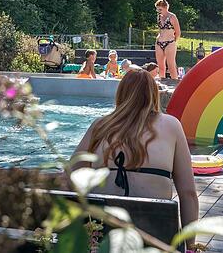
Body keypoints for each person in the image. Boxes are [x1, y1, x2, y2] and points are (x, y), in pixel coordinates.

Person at [71, 68, 198, 247]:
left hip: (104, 241)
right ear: (154, 94)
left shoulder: (100, 126)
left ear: (121, 94)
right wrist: (190, 247)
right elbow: (188, 194)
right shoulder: (171, 126)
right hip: (156, 240)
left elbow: (69, 179)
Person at [154, 0, 181, 79]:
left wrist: (173, 41)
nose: (158, 11)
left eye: (160, 9)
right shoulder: (159, 17)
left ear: (166, 8)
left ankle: (175, 84)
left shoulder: (172, 17)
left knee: (171, 66)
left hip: (170, 42)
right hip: (159, 42)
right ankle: (162, 82)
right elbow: (160, 30)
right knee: (161, 66)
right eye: (157, 9)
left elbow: (178, 32)